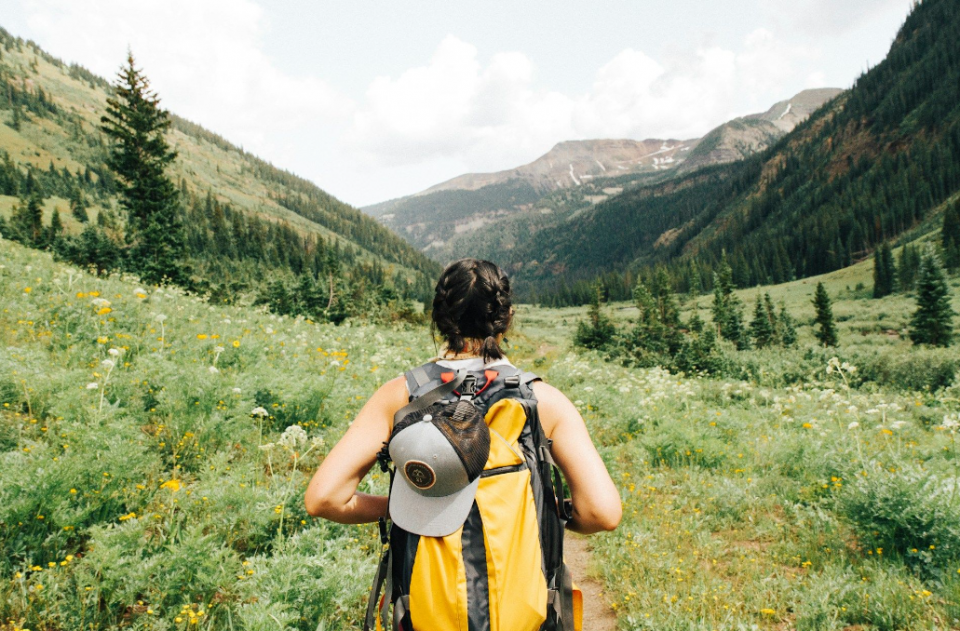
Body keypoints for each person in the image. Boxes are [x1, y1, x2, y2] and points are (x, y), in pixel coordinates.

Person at [304, 258, 621, 627]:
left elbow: (324, 498)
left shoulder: (400, 396)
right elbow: (603, 512)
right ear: (507, 317)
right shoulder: (543, 400)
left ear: (439, 319)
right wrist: (548, 513)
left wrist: (401, 507)